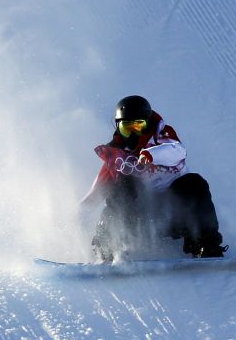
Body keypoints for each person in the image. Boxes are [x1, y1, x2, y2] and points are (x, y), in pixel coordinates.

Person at [81, 95, 227, 262]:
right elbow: (100, 188)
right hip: (142, 221)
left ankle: (206, 245)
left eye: (138, 126)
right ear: (117, 127)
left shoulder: (161, 135)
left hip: (175, 216)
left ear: (148, 123)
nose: (132, 134)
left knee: (194, 183)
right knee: (122, 185)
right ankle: (106, 249)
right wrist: (81, 212)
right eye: (126, 128)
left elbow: (178, 151)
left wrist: (151, 155)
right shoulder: (118, 156)